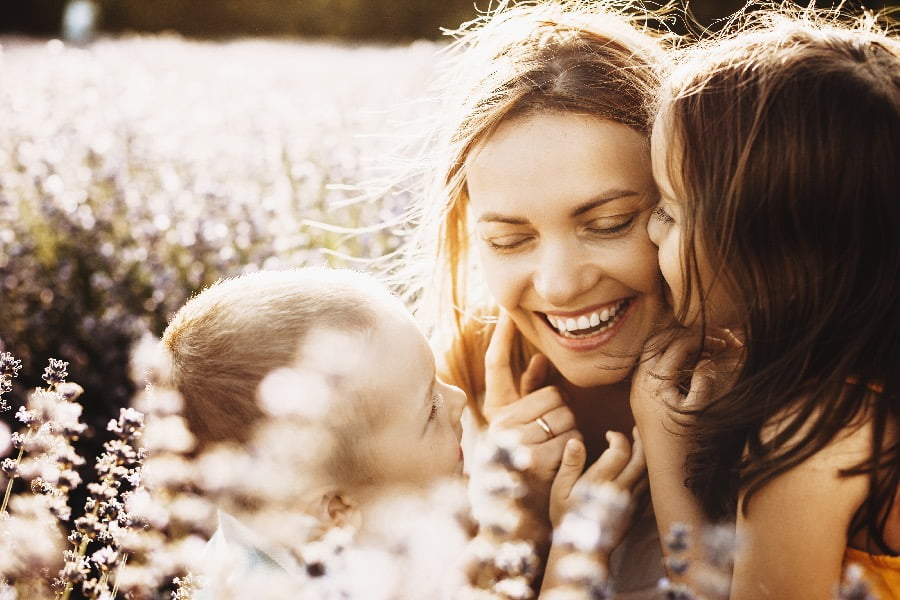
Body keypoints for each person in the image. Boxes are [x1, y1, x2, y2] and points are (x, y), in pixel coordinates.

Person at [395, 0, 672, 594]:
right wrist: (514, 522)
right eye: (510, 239)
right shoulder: (440, 405)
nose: (560, 285)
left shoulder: (789, 389)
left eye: (609, 223)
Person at [161, 266, 642, 596]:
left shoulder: (290, 535)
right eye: (428, 407)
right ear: (336, 509)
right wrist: (579, 549)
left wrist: (522, 509)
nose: (457, 401)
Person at [635, 6, 900, 598]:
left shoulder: (811, 435)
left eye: (673, 211)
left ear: (777, 259)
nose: (652, 231)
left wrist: (665, 443)